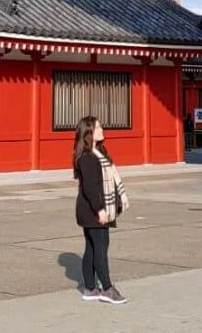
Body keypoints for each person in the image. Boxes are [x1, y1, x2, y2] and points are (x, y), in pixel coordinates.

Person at [73, 115, 129, 304]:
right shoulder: (88, 157)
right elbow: (91, 187)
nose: (101, 130)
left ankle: (90, 288)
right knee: (100, 247)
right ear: (88, 133)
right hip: (93, 209)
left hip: (93, 208)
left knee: (92, 248)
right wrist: (100, 210)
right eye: (97, 128)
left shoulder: (99, 153)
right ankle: (107, 288)